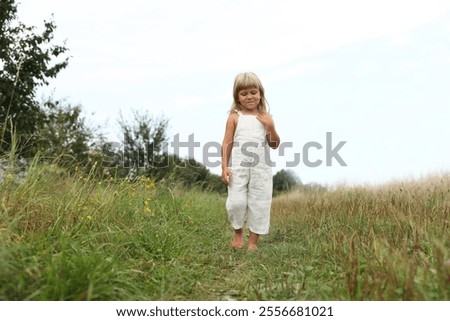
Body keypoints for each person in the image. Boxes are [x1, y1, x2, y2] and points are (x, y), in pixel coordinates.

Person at [221, 72, 280, 251]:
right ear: (237, 97)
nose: (249, 97)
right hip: (238, 167)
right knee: (236, 202)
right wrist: (224, 167)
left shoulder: (265, 118)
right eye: (244, 93)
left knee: (260, 202)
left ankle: (253, 242)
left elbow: (275, 144)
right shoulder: (234, 117)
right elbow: (226, 142)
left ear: (260, 93)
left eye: (253, 92)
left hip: (261, 169)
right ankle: (238, 231)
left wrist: (270, 126)